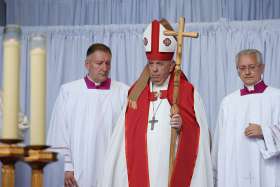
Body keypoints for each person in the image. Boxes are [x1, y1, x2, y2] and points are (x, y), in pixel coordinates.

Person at [99, 19, 213, 187]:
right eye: (151, 63)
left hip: (170, 167)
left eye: (160, 64)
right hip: (141, 167)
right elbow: (122, 139)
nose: (154, 69)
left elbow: (200, 137)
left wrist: (183, 127)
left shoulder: (187, 92)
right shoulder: (136, 94)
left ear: (172, 65)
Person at [47, 43, 128, 187]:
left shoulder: (123, 92)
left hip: (112, 167)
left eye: (108, 63)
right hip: (79, 168)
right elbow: (59, 131)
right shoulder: (69, 91)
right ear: (87, 64)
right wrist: (67, 167)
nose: (105, 68)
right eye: (99, 63)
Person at [212, 49, 280, 187]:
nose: (247, 72)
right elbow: (220, 142)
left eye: (252, 67)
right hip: (235, 169)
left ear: (262, 68)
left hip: (267, 169)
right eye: (242, 68)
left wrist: (264, 131)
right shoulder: (228, 102)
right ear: (237, 70)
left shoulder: (276, 97)